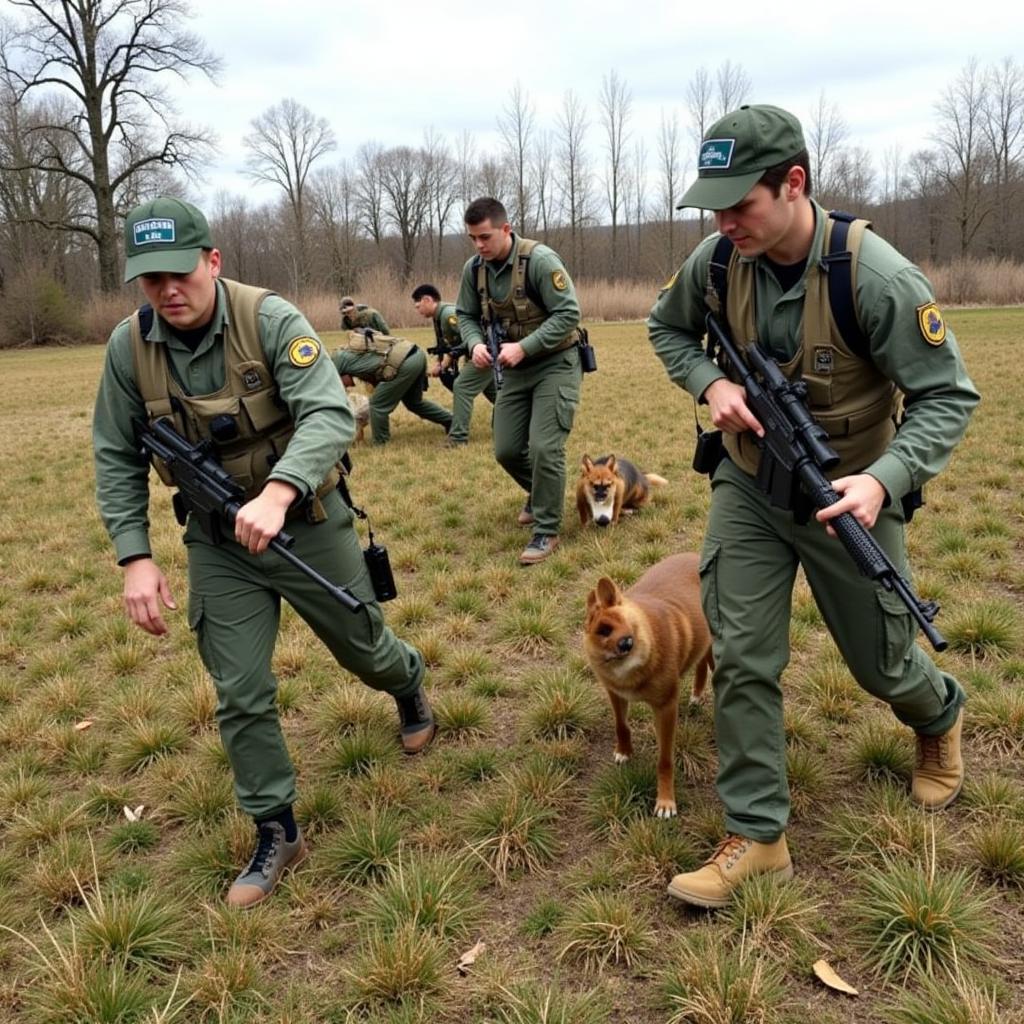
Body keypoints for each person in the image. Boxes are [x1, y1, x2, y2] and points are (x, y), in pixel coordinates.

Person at [647, 105, 980, 908]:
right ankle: (758, 836)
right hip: (751, 483)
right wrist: (712, 383)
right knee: (742, 653)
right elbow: (667, 328)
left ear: (793, 183)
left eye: (740, 203)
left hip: (851, 494)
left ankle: (938, 714)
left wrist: (884, 480)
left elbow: (947, 396)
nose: (725, 222)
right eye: (714, 207)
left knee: (882, 661)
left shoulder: (877, 276)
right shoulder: (718, 262)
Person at [93, 197, 436, 910]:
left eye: (179, 273)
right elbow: (114, 455)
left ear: (213, 261)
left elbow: (330, 412)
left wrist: (278, 492)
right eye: (150, 279)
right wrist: (135, 556)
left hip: (306, 519)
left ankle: (406, 680)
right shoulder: (129, 349)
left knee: (364, 649)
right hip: (218, 543)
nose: (167, 291)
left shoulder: (269, 319)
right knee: (240, 692)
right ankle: (276, 828)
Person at [456, 197, 583, 565]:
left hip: (555, 363)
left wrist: (525, 347)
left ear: (506, 229)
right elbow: (465, 313)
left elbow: (569, 313)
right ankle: (540, 492)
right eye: (472, 239)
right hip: (510, 368)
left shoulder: (539, 261)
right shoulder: (474, 270)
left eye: (485, 237)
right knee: (507, 449)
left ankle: (546, 529)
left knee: (545, 446)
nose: (479, 246)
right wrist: (474, 342)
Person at [330, 328, 453, 445]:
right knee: (414, 402)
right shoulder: (353, 354)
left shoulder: (336, 360)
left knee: (377, 405)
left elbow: (331, 391)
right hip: (416, 354)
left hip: (404, 363)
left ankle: (381, 442)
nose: (348, 387)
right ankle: (450, 421)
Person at [412, 282, 496, 448]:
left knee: (462, 387)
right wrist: (440, 363)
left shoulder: (449, 315)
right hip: (480, 355)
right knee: (500, 396)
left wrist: (446, 362)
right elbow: (444, 344)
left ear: (428, 300)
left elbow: (472, 336)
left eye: (418, 305)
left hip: (484, 353)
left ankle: (458, 438)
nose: (418, 310)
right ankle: (524, 423)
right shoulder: (438, 316)